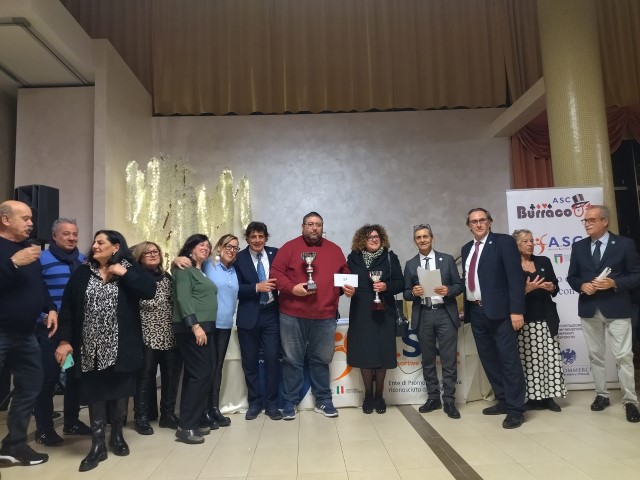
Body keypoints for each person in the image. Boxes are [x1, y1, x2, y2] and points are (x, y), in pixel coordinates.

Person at [55, 230, 156, 472]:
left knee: (120, 392)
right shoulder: (82, 272)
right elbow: (67, 309)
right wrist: (64, 340)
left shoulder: (129, 269)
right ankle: (98, 444)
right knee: (95, 394)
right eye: (94, 242)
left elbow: (149, 290)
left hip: (121, 347)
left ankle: (117, 435)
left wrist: (124, 273)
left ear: (116, 247)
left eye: (101, 242)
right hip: (90, 349)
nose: (94, 246)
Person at [270, 212, 349, 420]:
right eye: (310, 224)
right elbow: (275, 273)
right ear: (303, 226)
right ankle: (290, 402)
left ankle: (323, 400)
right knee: (292, 360)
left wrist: (348, 288)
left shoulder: (334, 250)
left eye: (318, 224)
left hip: (325, 315)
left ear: (322, 227)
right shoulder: (289, 248)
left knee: (321, 360)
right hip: (292, 315)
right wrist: (292, 288)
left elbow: (345, 275)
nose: (314, 228)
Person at [567, 205, 640, 423]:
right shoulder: (579, 246)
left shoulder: (625, 244)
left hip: (617, 308)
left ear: (605, 221)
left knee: (623, 356)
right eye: (585, 220)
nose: (587, 224)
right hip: (589, 308)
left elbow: (636, 275)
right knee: (595, 355)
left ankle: (630, 401)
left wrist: (614, 283)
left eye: (592, 220)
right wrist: (582, 286)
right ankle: (601, 395)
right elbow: (572, 277)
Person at [0, 200, 55, 466]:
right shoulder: (12, 253)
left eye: (31, 218)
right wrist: (12, 264)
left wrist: (50, 307)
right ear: (5, 219)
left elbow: (38, 284)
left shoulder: (29, 248)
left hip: (26, 334)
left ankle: (14, 447)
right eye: (25, 218)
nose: (31, 223)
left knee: (31, 386)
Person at [461, 208, 526, 429]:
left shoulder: (503, 242)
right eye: (474, 221)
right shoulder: (467, 248)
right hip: (476, 312)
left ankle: (516, 409)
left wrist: (516, 311)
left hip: (501, 313)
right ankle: (503, 400)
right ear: (469, 226)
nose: (478, 224)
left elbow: (515, 278)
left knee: (508, 360)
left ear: (489, 222)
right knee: (489, 360)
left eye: (482, 220)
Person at [33, 218, 91, 447]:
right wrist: (43, 316)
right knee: (47, 378)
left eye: (75, 234)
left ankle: (72, 421)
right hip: (49, 330)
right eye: (66, 234)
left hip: (74, 330)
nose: (72, 238)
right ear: (54, 236)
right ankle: (44, 429)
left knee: (74, 376)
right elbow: (34, 292)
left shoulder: (83, 260)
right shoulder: (41, 259)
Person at [403, 224, 464, 419]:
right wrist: (413, 292)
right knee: (428, 360)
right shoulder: (410, 264)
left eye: (425, 236)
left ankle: (449, 401)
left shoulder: (447, 260)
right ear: (415, 241)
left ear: (432, 238)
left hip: (445, 313)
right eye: (418, 237)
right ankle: (433, 398)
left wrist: (449, 290)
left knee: (448, 360)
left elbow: (459, 285)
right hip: (424, 315)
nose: (422, 240)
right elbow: (405, 293)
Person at [343, 224, 403, 415]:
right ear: (362, 240)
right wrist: (346, 290)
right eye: (370, 237)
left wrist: (386, 287)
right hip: (361, 312)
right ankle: (368, 395)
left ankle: (379, 396)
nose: (374, 239)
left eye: (377, 236)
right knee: (365, 354)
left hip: (384, 311)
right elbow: (346, 282)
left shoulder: (390, 257)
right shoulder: (352, 258)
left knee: (382, 354)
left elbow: (401, 283)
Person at [512, 229, 567, 412]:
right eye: (525, 241)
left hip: (546, 317)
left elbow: (556, 287)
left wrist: (552, 287)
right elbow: (509, 294)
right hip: (524, 319)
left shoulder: (544, 261)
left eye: (531, 241)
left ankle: (549, 398)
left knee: (549, 359)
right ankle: (533, 398)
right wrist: (526, 290)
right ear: (516, 245)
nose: (530, 244)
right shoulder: (512, 266)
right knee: (529, 360)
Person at [131, 241, 181, 435]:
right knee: (145, 378)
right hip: (147, 335)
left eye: (155, 252)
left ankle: (167, 415)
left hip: (169, 335)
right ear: (140, 257)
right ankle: (141, 417)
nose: (153, 255)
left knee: (171, 376)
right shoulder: (136, 278)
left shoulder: (167, 277)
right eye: (147, 253)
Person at [171, 234, 217, 444]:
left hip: (205, 328)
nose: (205, 248)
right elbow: (183, 297)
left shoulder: (200, 271)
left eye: (208, 245)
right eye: (201, 245)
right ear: (190, 248)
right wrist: (195, 326)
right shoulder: (184, 268)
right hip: (192, 329)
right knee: (201, 374)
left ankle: (194, 420)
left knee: (197, 375)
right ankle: (186, 426)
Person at [234, 222, 282, 421]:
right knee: (250, 362)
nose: (257, 240)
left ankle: (271, 404)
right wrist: (256, 287)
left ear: (266, 238)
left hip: (271, 314)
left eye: (261, 236)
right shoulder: (238, 258)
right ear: (247, 238)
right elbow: (234, 288)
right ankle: (254, 403)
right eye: (253, 237)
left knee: (272, 358)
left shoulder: (276, 254)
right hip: (248, 315)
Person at [200, 234, 240, 428]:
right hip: (208, 325)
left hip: (225, 326)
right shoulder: (208, 265)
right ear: (218, 248)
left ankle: (214, 408)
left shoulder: (234, 270)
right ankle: (203, 411)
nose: (231, 250)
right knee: (206, 368)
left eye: (235, 247)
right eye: (228, 246)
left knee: (217, 368)